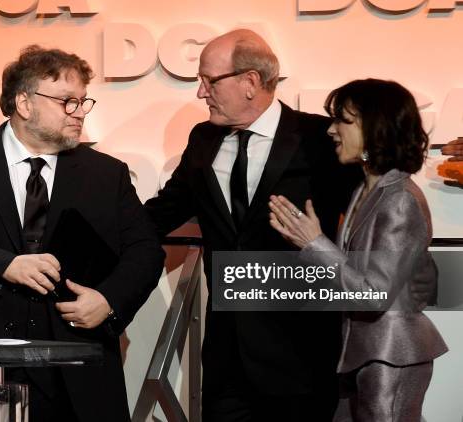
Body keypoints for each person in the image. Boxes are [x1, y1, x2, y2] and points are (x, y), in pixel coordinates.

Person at [0, 45, 164, 422]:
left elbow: (146, 251)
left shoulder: (107, 174)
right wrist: (3, 265)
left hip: (73, 373)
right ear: (24, 103)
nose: (79, 113)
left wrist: (108, 301)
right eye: (67, 101)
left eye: (82, 101)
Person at [144, 29, 363, 421]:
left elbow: (373, 209)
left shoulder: (319, 138)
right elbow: (163, 212)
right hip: (226, 357)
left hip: (303, 356)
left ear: (250, 82)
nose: (201, 92)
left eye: (210, 81)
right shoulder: (203, 139)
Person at [268, 78, 448, 421]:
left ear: (376, 127)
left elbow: (374, 294)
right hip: (362, 354)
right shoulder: (366, 190)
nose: (331, 130)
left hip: (390, 356)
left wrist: (314, 244)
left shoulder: (398, 199)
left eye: (344, 121)